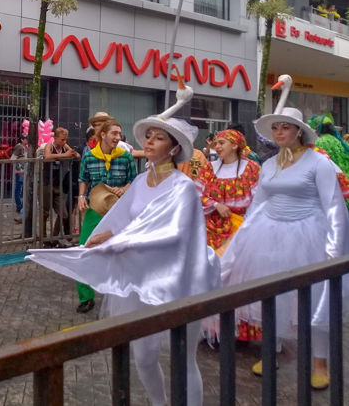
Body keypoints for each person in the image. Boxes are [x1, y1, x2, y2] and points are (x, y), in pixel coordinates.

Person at [28, 85, 220, 406]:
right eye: (149, 136)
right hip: (141, 277)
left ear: (173, 149)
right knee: (143, 356)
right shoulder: (143, 181)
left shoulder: (183, 188)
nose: (149, 141)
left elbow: (169, 232)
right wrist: (98, 238)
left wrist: (119, 239)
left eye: (158, 138)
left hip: (180, 279)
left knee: (183, 360)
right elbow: (120, 217)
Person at [219, 107, 347, 389]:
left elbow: (334, 207)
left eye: (285, 127)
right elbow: (258, 203)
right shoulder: (268, 165)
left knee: (315, 301)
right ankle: (270, 351)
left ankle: (319, 362)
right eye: (275, 127)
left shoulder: (319, 163)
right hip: (269, 235)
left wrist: (334, 251)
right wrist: (240, 239)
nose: (279, 132)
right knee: (271, 294)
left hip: (308, 236)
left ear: (298, 131)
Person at [75, 118, 136, 313]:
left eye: (119, 134)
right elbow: (83, 178)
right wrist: (81, 196)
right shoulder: (89, 156)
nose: (118, 137)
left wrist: (123, 189)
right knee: (85, 250)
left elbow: (133, 181)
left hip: (119, 209)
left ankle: (120, 293)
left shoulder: (126, 156)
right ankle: (86, 297)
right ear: (103, 135)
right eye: (114, 133)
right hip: (95, 209)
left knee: (121, 252)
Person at [200, 130, 260, 256]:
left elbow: (259, 198)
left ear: (234, 145)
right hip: (211, 227)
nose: (217, 147)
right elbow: (196, 193)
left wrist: (249, 222)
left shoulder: (251, 168)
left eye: (221, 143)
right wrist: (216, 205)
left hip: (241, 225)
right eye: (215, 144)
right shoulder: (209, 168)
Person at [42, 127, 80, 246]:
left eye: (65, 140)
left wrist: (70, 153)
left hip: (58, 184)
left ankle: (53, 237)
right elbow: (47, 156)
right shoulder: (50, 146)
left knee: (63, 213)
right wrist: (64, 155)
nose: (64, 142)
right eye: (62, 139)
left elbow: (77, 155)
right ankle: (44, 239)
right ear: (56, 138)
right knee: (45, 212)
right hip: (46, 183)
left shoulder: (64, 146)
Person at [10, 134, 28, 223]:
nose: (27, 140)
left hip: (23, 172)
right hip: (20, 172)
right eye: (26, 139)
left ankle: (22, 212)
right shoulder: (20, 147)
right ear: (22, 139)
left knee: (21, 192)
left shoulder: (25, 147)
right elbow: (12, 158)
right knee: (19, 192)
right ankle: (21, 209)